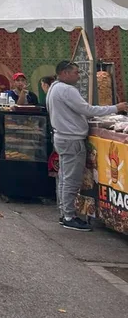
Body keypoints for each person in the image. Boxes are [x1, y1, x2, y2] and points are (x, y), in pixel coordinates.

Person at [46, 60, 126, 231]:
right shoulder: (67, 90)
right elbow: (88, 110)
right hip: (71, 139)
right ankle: (69, 216)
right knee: (71, 179)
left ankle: (64, 212)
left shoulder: (53, 88)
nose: (78, 76)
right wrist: (115, 108)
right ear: (65, 73)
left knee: (64, 177)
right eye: (76, 72)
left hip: (62, 136)